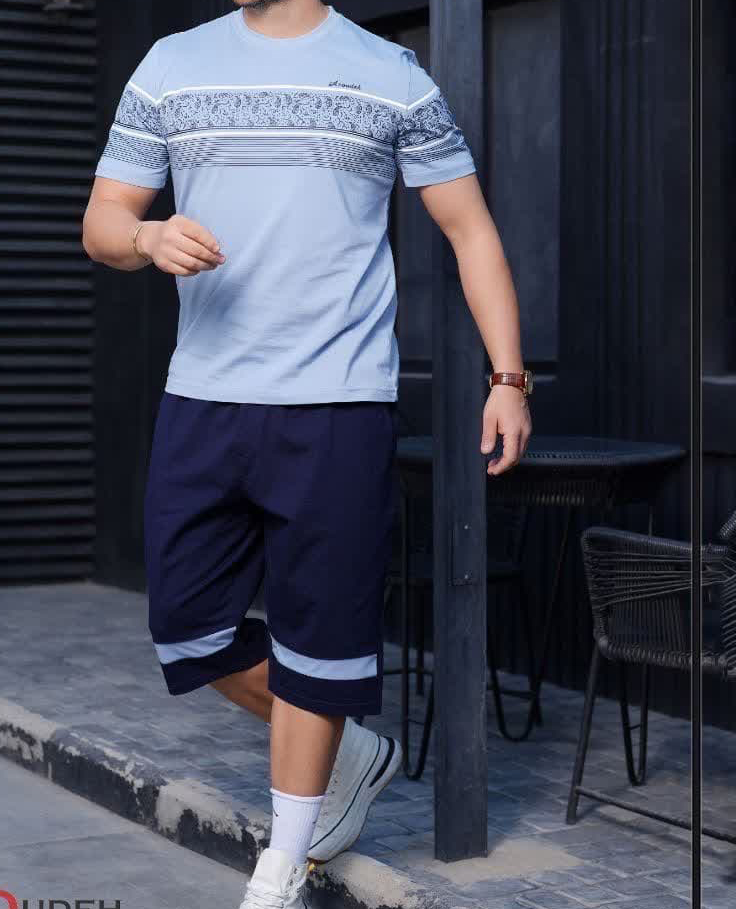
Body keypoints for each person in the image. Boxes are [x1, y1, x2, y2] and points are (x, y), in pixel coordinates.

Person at [82, 1, 532, 905]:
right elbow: (103, 221)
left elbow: (469, 229)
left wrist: (508, 377)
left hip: (338, 403)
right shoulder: (171, 64)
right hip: (203, 396)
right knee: (186, 626)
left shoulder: (390, 75)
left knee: (320, 644)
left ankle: (280, 868)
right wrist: (145, 236)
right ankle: (348, 750)